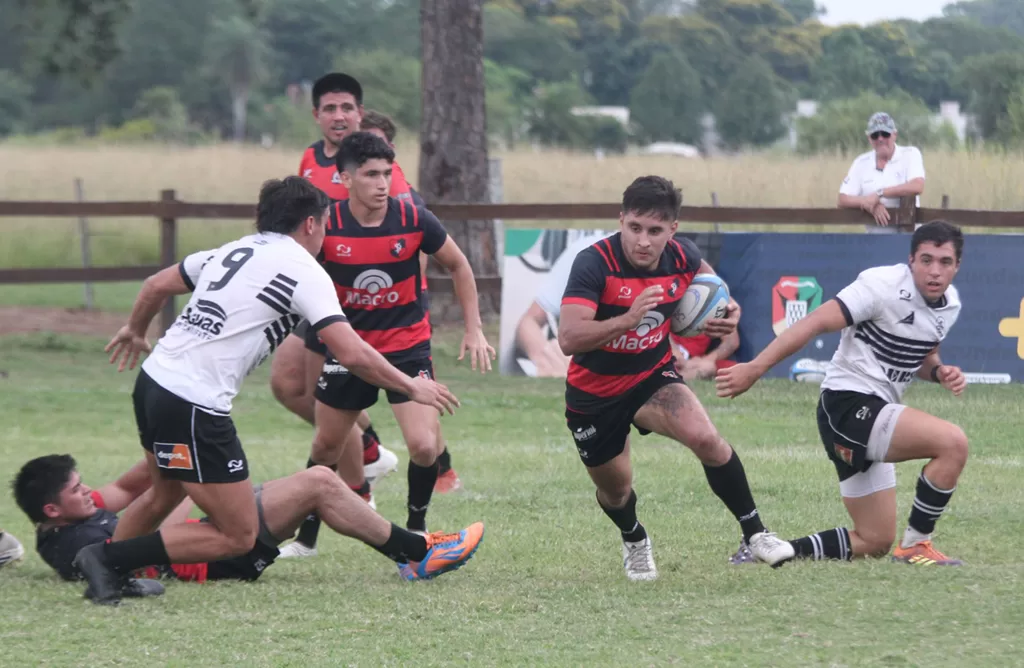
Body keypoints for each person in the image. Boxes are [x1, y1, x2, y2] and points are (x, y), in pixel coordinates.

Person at [72, 176, 471, 606]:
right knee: (238, 535)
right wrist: (412, 385)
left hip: (154, 383)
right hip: (192, 401)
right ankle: (103, 558)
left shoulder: (232, 250)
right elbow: (352, 354)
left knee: (165, 492)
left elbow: (155, 285)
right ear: (312, 225)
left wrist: (135, 329)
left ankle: (112, 572)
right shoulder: (303, 270)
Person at [557, 175, 793, 581]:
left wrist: (727, 310)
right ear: (621, 221)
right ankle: (634, 538)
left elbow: (714, 288)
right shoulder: (594, 263)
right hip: (593, 394)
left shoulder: (683, 257)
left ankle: (755, 534)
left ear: (673, 230)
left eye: (655, 231)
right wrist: (627, 320)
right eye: (634, 228)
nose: (643, 241)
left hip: (652, 376)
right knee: (616, 491)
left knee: (707, 439)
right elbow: (568, 338)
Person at [277, 133, 494, 565]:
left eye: (387, 174)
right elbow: (295, 276)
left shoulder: (415, 219)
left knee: (425, 446)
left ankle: (415, 534)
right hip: (350, 351)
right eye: (371, 174)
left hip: (408, 349)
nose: (382, 183)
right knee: (325, 447)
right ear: (344, 178)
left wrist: (474, 329)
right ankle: (306, 538)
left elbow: (459, 265)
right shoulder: (327, 225)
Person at [716, 220, 967, 567]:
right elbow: (814, 322)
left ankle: (770, 551)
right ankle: (916, 546)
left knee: (874, 539)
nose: (934, 270)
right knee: (953, 443)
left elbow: (920, 356)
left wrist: (939, 371)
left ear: (957, 266)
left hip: (868, 414)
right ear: (911, 261)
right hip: (848, 405)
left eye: (944, 262)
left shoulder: (949, 306)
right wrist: (755, 368)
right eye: (926, 260)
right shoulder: (880, 285)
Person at [12, 454, 483, 585]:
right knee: (318, 483)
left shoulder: (80, 513)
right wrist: (181, 476)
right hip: (212, 556)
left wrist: (167, 440)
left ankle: (411, 551)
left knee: (318, 481)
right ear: (52, 511)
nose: (87, 493)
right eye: (76, 490)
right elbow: (152, 530)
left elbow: (124, 490)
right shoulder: (67, 547)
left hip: (208, 532)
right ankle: (417, 553)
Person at [360, 109, 461, 494]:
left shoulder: (404, 200)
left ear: (392, 151)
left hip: (401, 320)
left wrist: (405, 298)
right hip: (352, 318)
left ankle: (442, 471)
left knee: (419, 406)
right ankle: (370, 459)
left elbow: (428, 258)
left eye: (379, 145)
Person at [838, 112, 926, 233]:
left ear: (894, 135)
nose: (880, 139)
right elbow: (843, 199)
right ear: (869, 138)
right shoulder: (861, 162)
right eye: (875, 135)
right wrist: (869, 203)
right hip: (874, 241)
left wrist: (880, 193)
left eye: (885, 134)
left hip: (908, 237)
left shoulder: (910, 154)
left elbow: (917, 185)